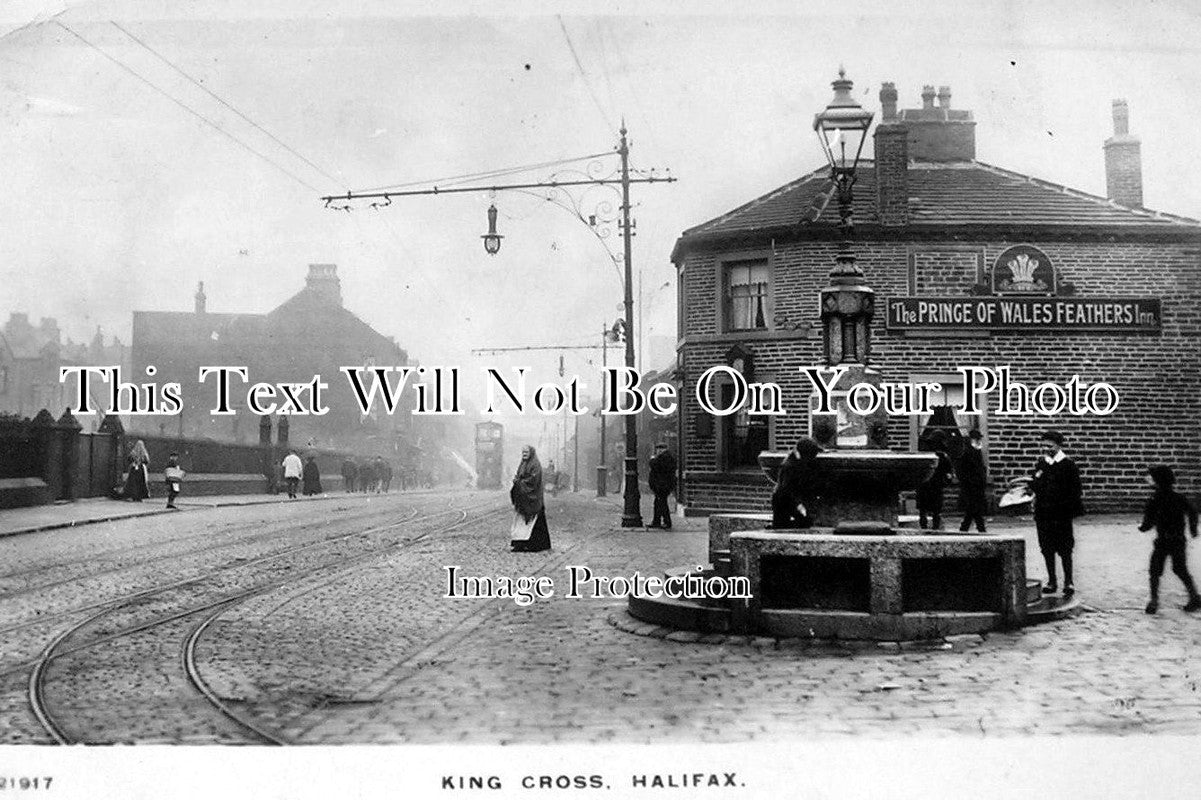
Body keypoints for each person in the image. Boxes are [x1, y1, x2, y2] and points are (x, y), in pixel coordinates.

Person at [1138, 465, 1201, 614]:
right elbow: (1192, 511)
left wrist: (1143, 527)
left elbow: (1148, 521)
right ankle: (1194, 596)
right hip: (1178, 539)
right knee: (1180, 569)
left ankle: (1154, 601)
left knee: (1155, 570)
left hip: (1162, 541)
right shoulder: (1179, 498)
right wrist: (1192, 529)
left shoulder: (1154, 500)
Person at [1029, 429, 1084, 597]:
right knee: (1047, 548)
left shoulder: (1068, 465)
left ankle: (1068, 581)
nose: (1047, 449)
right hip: (1044, 514)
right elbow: (1036, 484)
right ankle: (1052, 581)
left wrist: (1066, 507)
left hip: (1061, 514)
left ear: (1059, 445)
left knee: (1065, 548)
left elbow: (1076, 490)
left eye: (1050, 446)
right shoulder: (1042, 464)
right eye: (1044, 446)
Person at [771, 437, 824, 529]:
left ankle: (779, 525)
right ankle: (779, 526)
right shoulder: (790, 466)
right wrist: (799, 505)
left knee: (804, 521)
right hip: (783, 499)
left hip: (787, 497)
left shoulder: (796, 460)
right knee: (800, 523)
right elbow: (787, 490)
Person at [510, 445, 551, 552]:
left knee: (534, 523)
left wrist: (520, 482)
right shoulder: (522, 464)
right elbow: (520, 476)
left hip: (533, 499)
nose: (524, 454)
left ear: (531, 453)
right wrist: (517, 480)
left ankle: (534, 544)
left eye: (526, 452)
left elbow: (533, 480)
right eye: (523, 452)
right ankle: (520, 543)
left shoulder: (535, 465)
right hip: (523, 499)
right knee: (521, 522)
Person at [917, 430, 953, 530]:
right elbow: (948, 473)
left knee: (923, 509)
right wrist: (947, 481)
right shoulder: (943, 457)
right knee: (936, 510)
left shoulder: (924, 453)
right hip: (936, 485)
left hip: (924, 484)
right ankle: (935, 528)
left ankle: (924, 526)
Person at [957, 429, 988, 532]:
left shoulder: (976, 452)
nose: (979, 441)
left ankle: (966, 528)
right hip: (971, 486)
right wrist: (968, 482)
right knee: (974, 509)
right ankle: (979, 528)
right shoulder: (968, 453)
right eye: (977, 439)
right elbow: (962, 471)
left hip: (976, 486)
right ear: (972, 440)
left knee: (973, 510)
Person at [647, 443, 678, 530]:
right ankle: (656, 521)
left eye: (661, 448)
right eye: (658, 448)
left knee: (662, 503)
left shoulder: (665, 457)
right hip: (661, 485)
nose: (659, 450)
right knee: (658, 503)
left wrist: (652, 459)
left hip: (662, 485)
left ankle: (667, 522)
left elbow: (655, 465)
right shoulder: (665, 457)